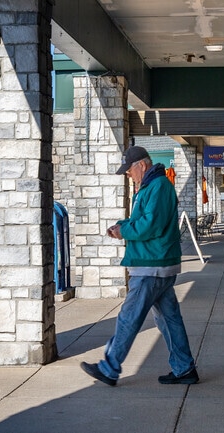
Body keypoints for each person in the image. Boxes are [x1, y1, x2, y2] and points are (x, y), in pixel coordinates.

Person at [80, 146, 198, 386]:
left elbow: (150, 225)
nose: (127, 175)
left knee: (129, 317)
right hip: (158, 266)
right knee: (168, 320)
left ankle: (110, 368)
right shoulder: (153, 186)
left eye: (129, 170)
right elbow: (141, 220)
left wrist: (124, 230)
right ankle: (184, 368)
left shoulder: (159, 186)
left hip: (151, 266)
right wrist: (122, 226)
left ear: (142, 165)